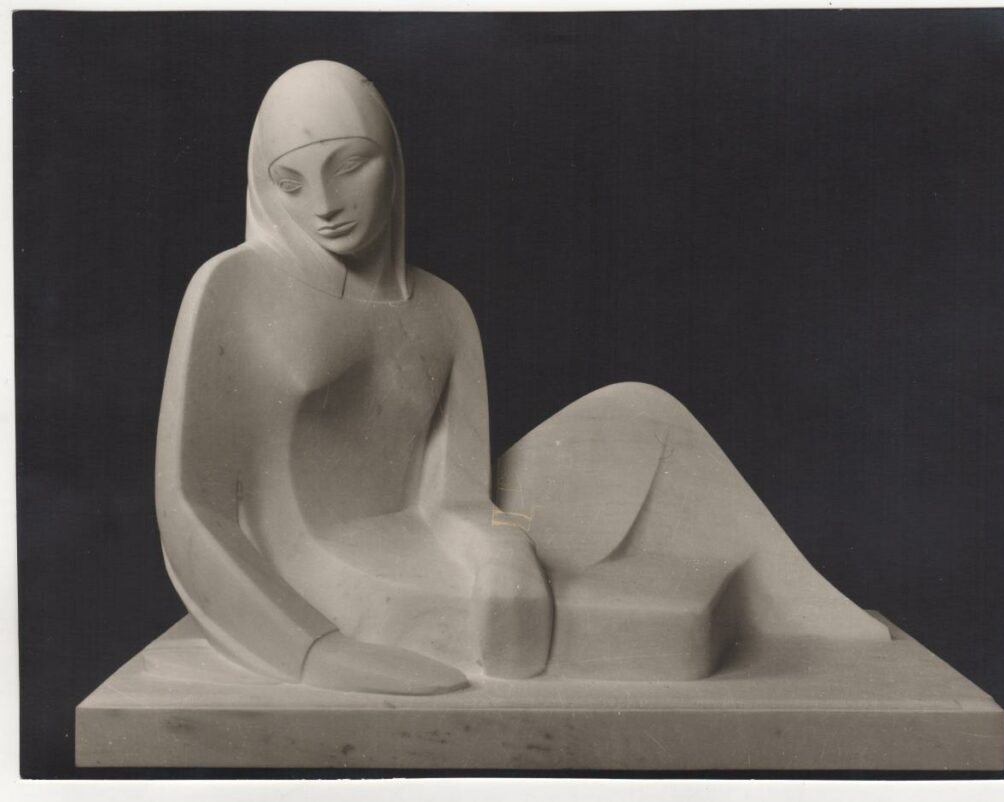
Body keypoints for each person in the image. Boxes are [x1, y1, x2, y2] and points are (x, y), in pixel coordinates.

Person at [156, 61, 889, 695]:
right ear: (262, 187)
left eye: (350, 165)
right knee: (658, 634)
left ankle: (805, 614)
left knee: (642, 414)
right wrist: (312, 651)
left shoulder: (444, 310)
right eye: (290, 182)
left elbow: (457, 498)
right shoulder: (236, 288)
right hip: (320, 580)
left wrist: (501, 548)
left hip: (434, 545)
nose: (324, 204)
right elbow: (190, 506)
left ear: (394, 164)